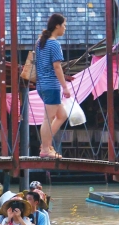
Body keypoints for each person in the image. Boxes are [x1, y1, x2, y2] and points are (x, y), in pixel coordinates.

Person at [36, 13, 71, 159]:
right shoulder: (54, 43)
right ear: (57, 26)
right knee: (48, 119)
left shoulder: (41, 42)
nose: (64, 28)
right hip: (52, 85)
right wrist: (65, 87)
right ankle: (45, 149)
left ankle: (46, 144)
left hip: (41, 84)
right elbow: (57, 66)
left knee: (62, 115)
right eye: (64, 25)